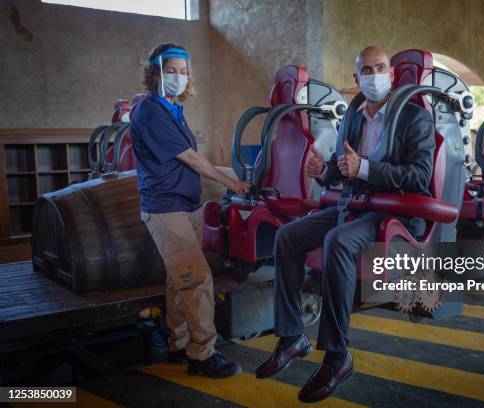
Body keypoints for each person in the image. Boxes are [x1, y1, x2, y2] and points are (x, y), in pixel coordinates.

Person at [255, 46, 435, 402]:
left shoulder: (416, 119)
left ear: (393, 75)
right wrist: (324, 170)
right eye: (366, 70)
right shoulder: (353, 115)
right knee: (288, 236)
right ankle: (292, 336)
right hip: (354, 203)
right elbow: (344, 166)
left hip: (392, 214)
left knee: (337, 240)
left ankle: (337, 357)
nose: (373, 75)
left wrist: (364, 168)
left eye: (380, 68)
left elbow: (420, 176)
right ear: (357, 79)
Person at [130, 43, 249, 378]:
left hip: (187, 206)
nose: (179, 77)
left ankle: (180, 343)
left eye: (184, 72)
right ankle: (203, 355)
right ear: (155, 72)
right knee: (196, 279)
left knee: (177, 280)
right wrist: (233, 183)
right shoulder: (150, 110)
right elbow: (191, 159)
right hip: (166, 208)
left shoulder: (172, 110)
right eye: (171, 71)